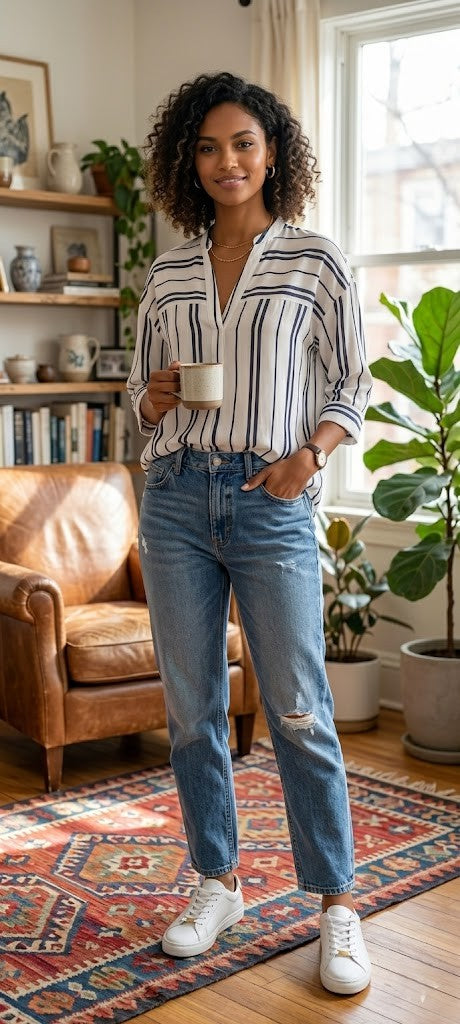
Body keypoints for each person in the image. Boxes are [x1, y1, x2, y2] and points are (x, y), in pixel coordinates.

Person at [127, 71, 373, 996]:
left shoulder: (316, 260)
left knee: (301, 710)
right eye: (207, 147)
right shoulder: (166, 271)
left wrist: (310, 458)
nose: (226, 162)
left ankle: (338, 906)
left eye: (243, 144)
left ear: (272, 152)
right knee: (193, 715)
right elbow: (145, 396)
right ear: (187, 161)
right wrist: (144, 396)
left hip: (274, 496)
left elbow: (353, 385)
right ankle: (218, 880)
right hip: (178, 497)